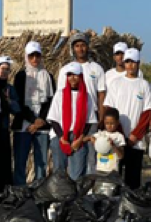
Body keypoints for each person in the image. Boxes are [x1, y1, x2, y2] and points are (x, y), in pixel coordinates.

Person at [104, 48, 151, 189]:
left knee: (133, 180)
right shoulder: (116, 83)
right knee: (114, 180)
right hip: (117, 140)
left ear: (138, 63)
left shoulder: (143, 84)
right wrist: (118, 134)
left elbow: (147, 113)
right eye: (128, 62)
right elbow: (109, 110)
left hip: (135, 142)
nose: (130, 65)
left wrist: (135, 135)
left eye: (133, 62)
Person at [57, 33, 106, 174]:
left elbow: (101, 94)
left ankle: (90, 189)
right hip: (73, 119)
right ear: (73, 49)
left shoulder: (97, 68)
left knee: (92, 155)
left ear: (88, 47)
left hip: (91, 118)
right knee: (76, 153)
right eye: (77, 46)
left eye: (83, 45)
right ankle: (76, 185)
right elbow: (62, 95)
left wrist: (101, 117)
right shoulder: (66, 70)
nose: (80, 49)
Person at [12, 41, 56, 185]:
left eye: (37, 55)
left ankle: (39, 192)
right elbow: (18, 100)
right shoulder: (21, 76)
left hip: (41, 126)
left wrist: (40, 120)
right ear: (27, 57)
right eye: (31, 56)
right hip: (24, 124)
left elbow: (50, 100)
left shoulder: (47, 76)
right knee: (20, 160)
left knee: (41, 162)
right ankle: (20, 191)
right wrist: (32, 120)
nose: (35, 59)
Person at [47, 62, 98, 180]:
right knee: (59, 173)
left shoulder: (86, 96)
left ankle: (75, 197)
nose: (72, 78)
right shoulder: (60, 94)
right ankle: (60, 197)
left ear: (81, 76)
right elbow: (53, 119)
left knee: (77, 174)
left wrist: (80, 139)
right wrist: (62, 138)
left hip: (77, 136)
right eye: (69, 75)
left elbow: (89, 121)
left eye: (75, 75)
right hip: (60, 135)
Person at [0, 56, 19, 191]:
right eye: (2, 69)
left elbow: (17, 109)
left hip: (2, 129)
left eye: (7, 70)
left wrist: (9, 102)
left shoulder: (9, 88)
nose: (4, 72)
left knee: (4, 163)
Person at [85, 107, 126, 175]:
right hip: (100, 170)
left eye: (112, 123)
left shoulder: (119, 137)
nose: (109, 126)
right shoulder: (101, 134)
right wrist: (92, 140)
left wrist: (113, 145)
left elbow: (121, 156)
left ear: (117, 122)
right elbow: (88, 138)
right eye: (107, 123)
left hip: (112, 171)